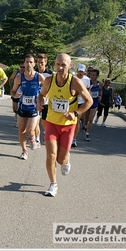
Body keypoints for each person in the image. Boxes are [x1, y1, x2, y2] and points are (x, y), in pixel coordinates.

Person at [37, 53, 92, 197]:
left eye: (63, 65)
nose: (60, 67)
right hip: (51, 123)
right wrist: (40, 102)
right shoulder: (49, 81)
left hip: (68, 125)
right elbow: (42, 95)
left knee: (61, 160)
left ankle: (66, 160)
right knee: (51, 154)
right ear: (54, 65)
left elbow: (89, 101)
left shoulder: (75, 82)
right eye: (57, 64)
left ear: (70, 65)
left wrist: (75, 113)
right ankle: (53, 184)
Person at [11, 54, 45, 160]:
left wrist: (41, 101)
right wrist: (15, 95)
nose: (29, 64)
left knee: (30, 130)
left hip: (34, 108)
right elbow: (12, 91)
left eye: (31, 62)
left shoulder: (39, 77)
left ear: (34, 64)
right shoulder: (19, 77)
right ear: (24, 63)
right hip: (22, 107)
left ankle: (33, 139)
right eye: (27, 62)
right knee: (21, 130)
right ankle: (24, 150)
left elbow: (46, 91)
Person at [36, 53, 54, 146]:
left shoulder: (51, 74)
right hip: (35, 101)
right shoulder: (34, 73)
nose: (40, 64)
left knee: (44, 121)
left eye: (42, 62)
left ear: (46, 62)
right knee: (35, 120)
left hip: (46, 101)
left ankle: (45, 132)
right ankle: (37, 139)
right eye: (38, 62)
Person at [72, 64, 90, 147]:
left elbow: (88, 90)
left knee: (77, 120)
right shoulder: (73, 78)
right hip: (73, 101)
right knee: (73, 120)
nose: (80, 73)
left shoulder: (87, 80)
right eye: (79, 71)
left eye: (82, 72)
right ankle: (71, 137)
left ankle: (74, 138)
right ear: (77, 71)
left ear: (84, 72)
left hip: (81, 102)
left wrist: (87, 101)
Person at [83, 68, 101, 142]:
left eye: (94, 75)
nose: (92, 76)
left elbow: (101, 91)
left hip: (95, 102)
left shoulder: (100, 84)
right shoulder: (88, 83)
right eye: (91, 75)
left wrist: (100, 96)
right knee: (86, 119)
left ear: (97, 76)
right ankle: (85, 125)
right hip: (87, 102)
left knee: (91, 119)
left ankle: (87, 135)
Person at [9, 63, 25, 127]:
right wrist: (11, 87)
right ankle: (16, 115)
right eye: (21, 67)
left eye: (23, 67)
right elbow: (10, 79)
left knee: (20, 107)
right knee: (14, 109)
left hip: (22, 94)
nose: (22, 68)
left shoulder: (27, 74)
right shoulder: (16, 72)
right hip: (15, 92)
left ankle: (19, 121)